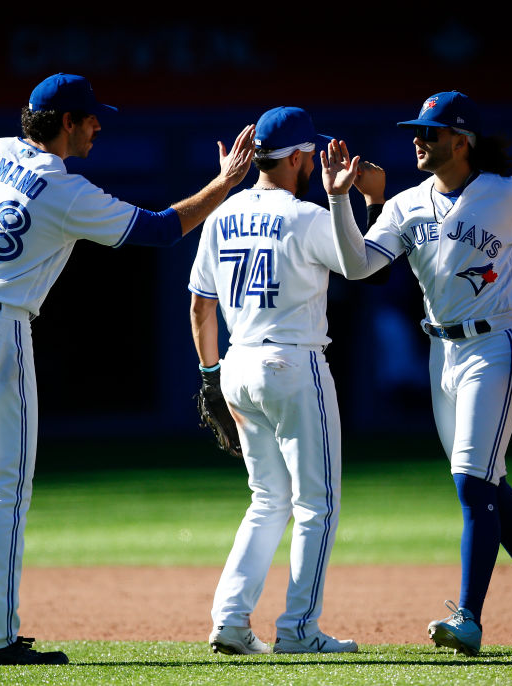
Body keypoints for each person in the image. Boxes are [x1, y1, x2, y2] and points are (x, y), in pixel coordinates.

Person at [0, 73, 255, 666]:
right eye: (91, 117)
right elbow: (157, 229)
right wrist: (224, 184)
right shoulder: (60, 186)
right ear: (66, 122)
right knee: (4, 486)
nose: (99, 124)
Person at [323, 91, 512, 656]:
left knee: (470, 480)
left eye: (431, 132)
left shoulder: (508, 194)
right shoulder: (405, 204)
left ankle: (469, 618)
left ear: (461, 142)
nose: (419, 139)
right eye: (417, 130)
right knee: (485, 482)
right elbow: (358, 267)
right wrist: (347, 200)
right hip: (442, 353)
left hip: (500, 343)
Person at [189, 106, 380, 655]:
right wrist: (354, 199)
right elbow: (360, 264)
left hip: (236, 364)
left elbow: (201, 304)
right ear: (297, 157)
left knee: (266, 498)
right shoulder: (306, 215)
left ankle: (230, 618)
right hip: (293, 363)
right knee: (316, 504)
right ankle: (298, 629)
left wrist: (208, 376)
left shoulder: (222, 215)